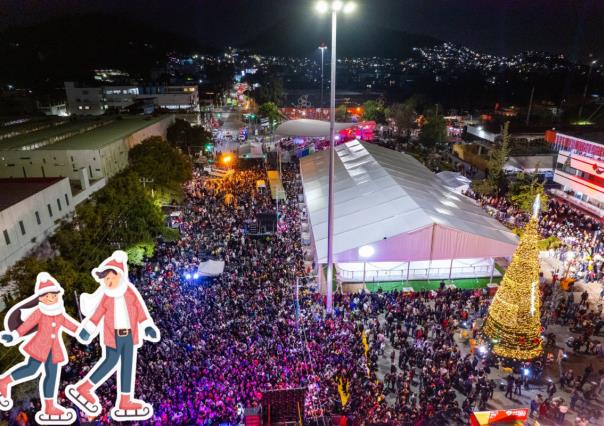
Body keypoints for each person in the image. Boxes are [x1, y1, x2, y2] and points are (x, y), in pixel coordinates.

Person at [66, 251, 161, 422]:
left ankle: (125, 400)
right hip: (113, 336)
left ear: (120, 276)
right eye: (106, 280)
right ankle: (84, 387)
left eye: (111, 278)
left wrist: (147, 327)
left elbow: (139, 310)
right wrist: (88, 329)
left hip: (130, 337)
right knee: (110, 362)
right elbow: (96, 315)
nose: (108, 282)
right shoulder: (106, 297)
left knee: (127, 366)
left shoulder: (130, 292)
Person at [0, 273, 81, 424]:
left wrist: (82, 331)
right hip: (39, 347)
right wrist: (13, 336)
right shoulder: (39, 312)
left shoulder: (59, 313)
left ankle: (50, 406)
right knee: (31, 369)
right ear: (40, 298)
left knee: (52, 375)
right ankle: (4, 381)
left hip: (54, 350)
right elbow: (26, 326)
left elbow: (71, 325)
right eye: (46, 296)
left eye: (53, 295)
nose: (51, 298)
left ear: (58, 295)